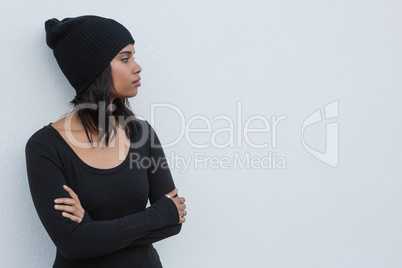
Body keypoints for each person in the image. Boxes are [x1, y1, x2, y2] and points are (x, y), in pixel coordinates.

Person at [24, 15, 187, 268]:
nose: (137, 67)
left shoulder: (141, 133)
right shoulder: (45, 147)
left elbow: (174, 221)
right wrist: (158, 215)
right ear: (94, 67)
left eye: (133, 56)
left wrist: (90, 230)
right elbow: (73, 246)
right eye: (125, 58)